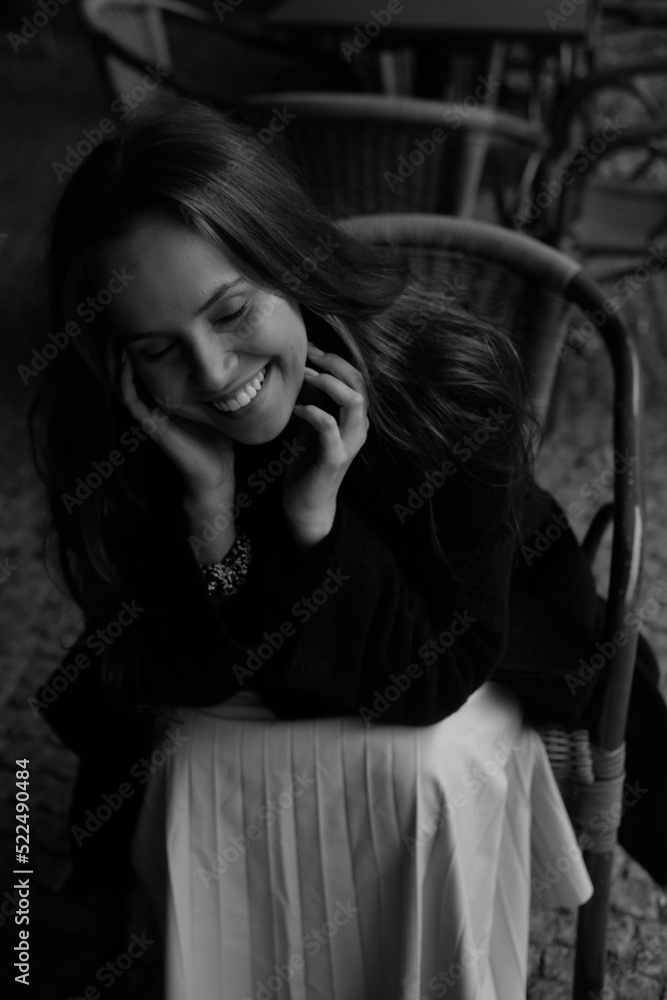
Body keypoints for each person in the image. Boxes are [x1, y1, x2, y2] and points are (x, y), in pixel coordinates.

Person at [30, 99, 666, 996]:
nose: (213, 373)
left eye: (231, 311)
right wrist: (210, 513)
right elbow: (187, 671)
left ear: (289, 263)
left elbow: (430, 679)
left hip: (489, 617)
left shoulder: (447, 385)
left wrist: (313, 525)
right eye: (159, 347)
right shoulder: (133, 433)